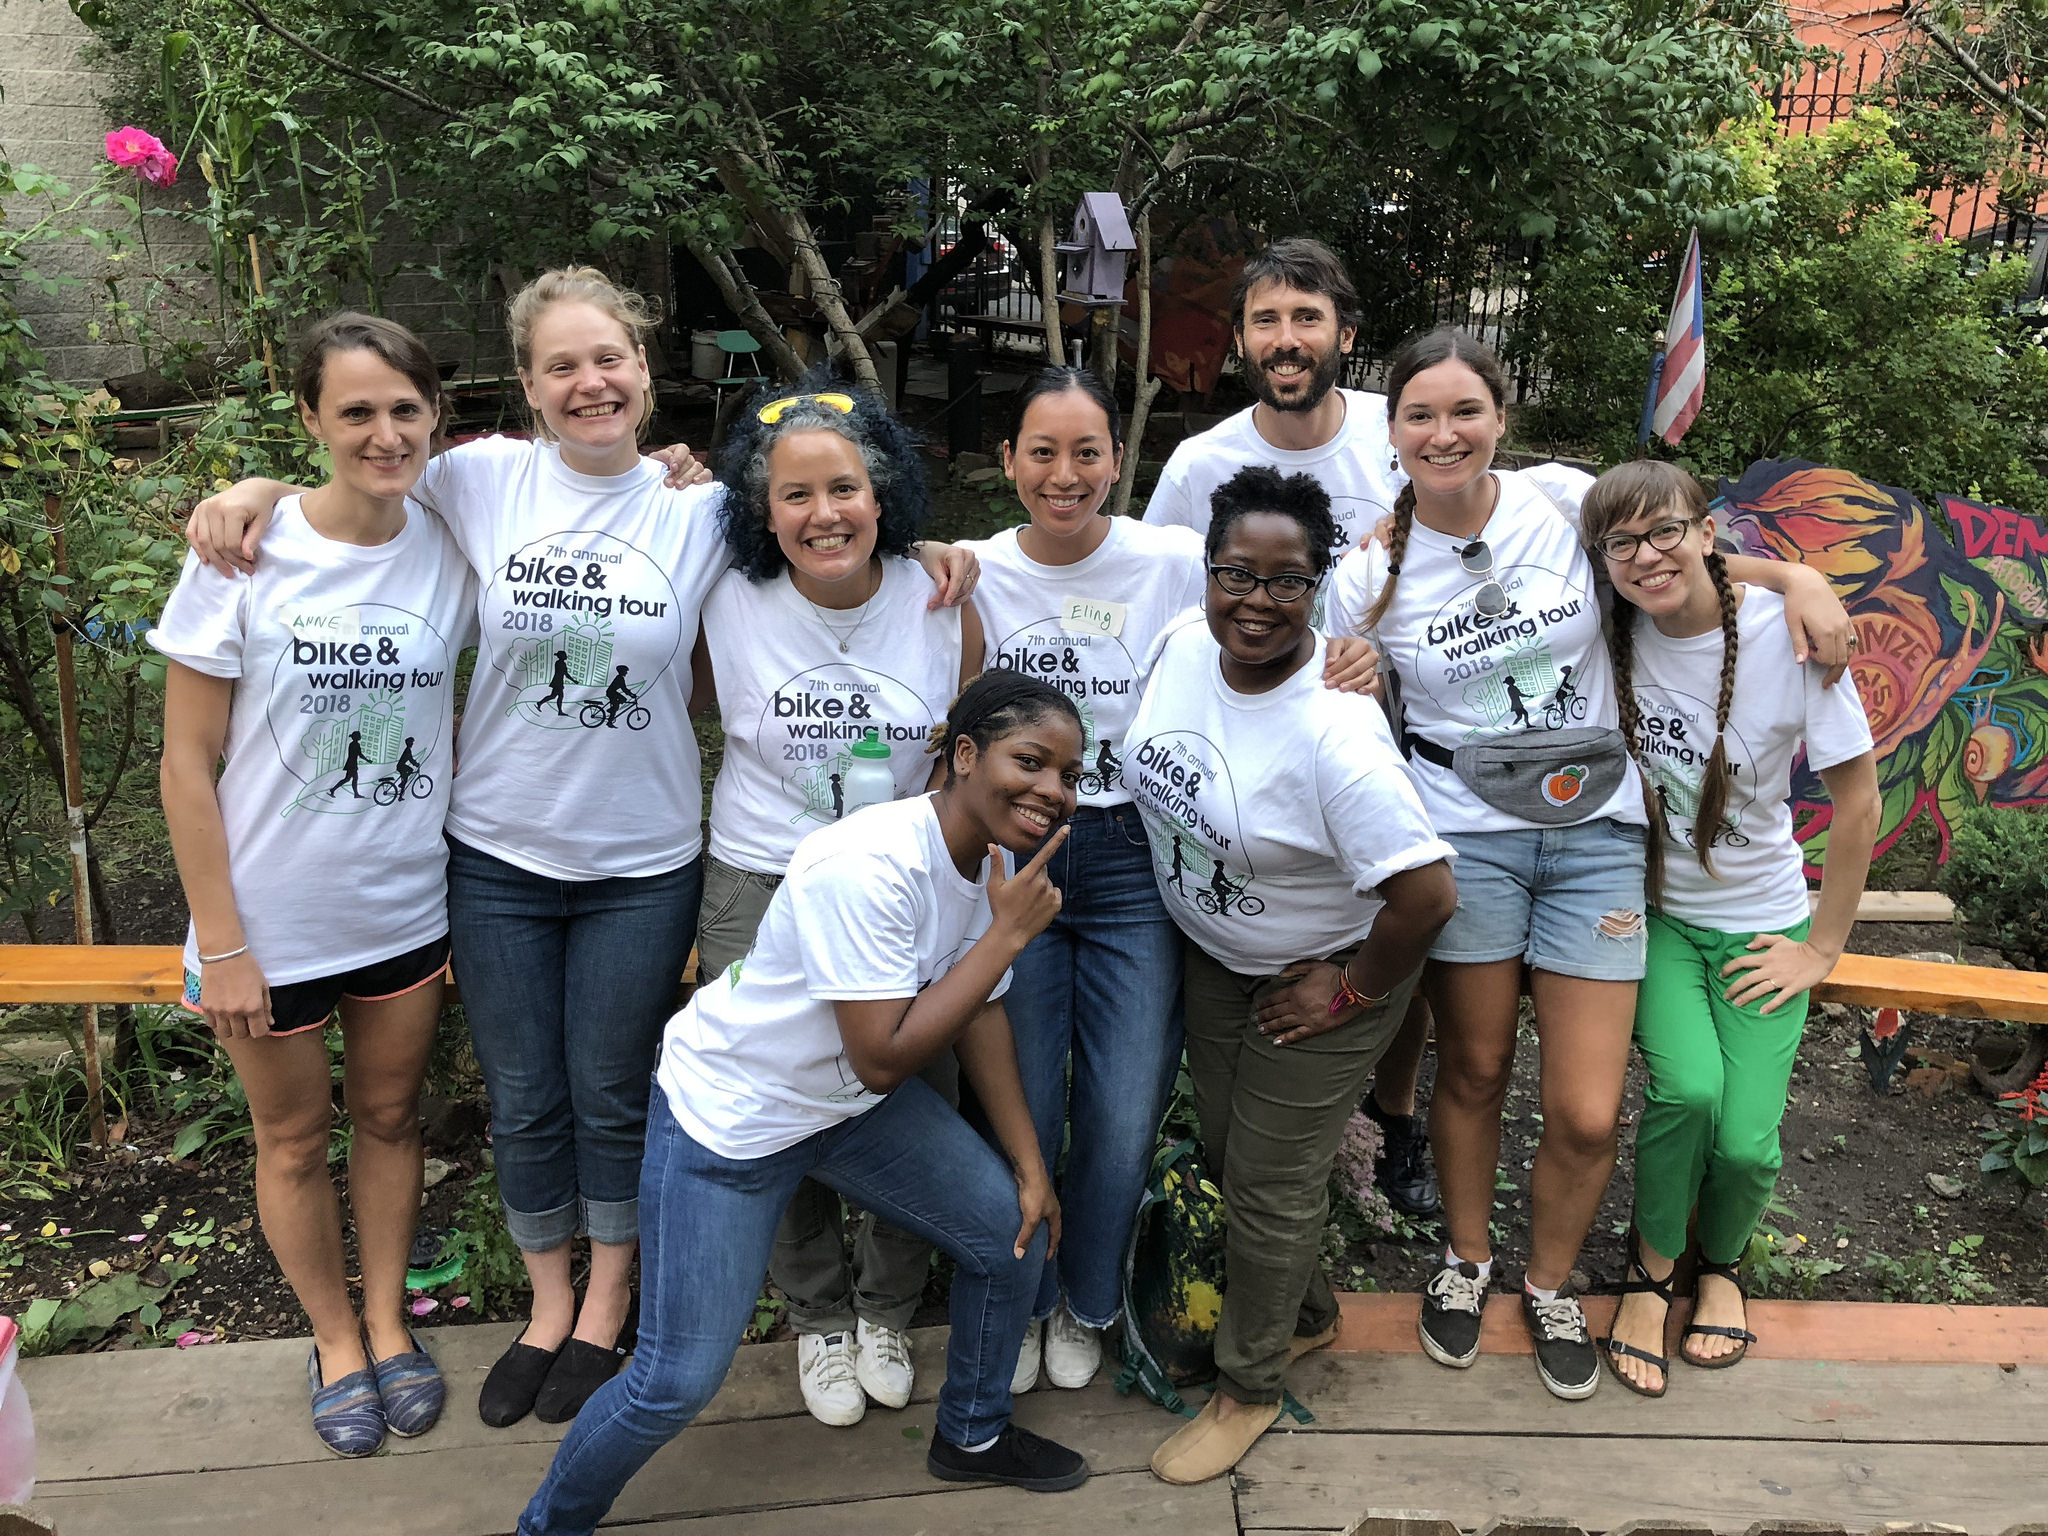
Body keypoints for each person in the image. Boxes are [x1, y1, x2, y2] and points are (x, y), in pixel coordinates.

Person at [182, 267, 984, 1430]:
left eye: (608, 359)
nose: (589, 382)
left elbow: (829, 531)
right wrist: (248, 488)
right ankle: (546, 1303)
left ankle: (609, 1304)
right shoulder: (476, 478)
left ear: (646, 374)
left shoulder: (702, 511)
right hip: (495, 851)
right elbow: (356, 472)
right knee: (524, 1092)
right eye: (561, 365)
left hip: (644, 858)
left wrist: (937, 552)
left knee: (613, 1090)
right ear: (526, 388)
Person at [1324, 326, 1853, 1400]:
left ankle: (1553, 1281)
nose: (1443, 432)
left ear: (1499, 421)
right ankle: (1466, 1264)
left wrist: (1793, 572)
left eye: (1463, 411)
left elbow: (1669, 548)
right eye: (1418, 415)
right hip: (1466, 832)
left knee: (1582, 1107)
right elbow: (1345, 713)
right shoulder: (1366, 572)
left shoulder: (1558, 500)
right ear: (1390, 435)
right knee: (1470, 1070)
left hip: (1596, 835)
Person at [514, 674, 1094, 1533]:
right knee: (673, 1382)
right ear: (964, 756)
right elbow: (886, 1054)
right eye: (1031, 761)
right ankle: (547, 1524)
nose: (1053, 790)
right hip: (734, 1122)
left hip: (846, 1107)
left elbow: (982, 1007)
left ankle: (971, 1436)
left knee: (1010, 1236)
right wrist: (1008, 934)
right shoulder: (869, 863)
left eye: (1070, 774)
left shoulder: (991, 867)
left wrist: (1031, 1169)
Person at [966, 366, 1380, 1395]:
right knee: (1012, 1098)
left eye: (1087, 452)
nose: (1065, 475)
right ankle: (1011, 1297)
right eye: (1041, 452)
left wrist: (1350, 654)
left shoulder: (1163, 560)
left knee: (1119, 1107)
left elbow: (1288, 598)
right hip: (1010, 852)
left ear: (1120, 460)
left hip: (1133, 855)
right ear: (1006, 462)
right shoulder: (964, 570)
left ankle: (1088, 1297)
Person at [155, 313, 479, 1456]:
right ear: (310, 420)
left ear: (435, 416)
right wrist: (223, 940)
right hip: (269, 922)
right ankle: (334, 1337)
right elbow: (185, 764)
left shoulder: (450, 536)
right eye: (355, 411)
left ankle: (390, 1325)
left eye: (403, 409)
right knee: (292, 1141)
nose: (383, 433)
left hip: (399, 904)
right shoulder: (242, 553)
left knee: (389, 1119)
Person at [1124, 466, 1458, 1483]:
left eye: (1285, 582)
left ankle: (1248, 1386)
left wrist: (1349, 989)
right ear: (1207, 569)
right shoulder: (1186, 643)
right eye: (1236, 573)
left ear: (1318, 585)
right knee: (1233, 1159)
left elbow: (1427, 896)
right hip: (1220, 960)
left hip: (1324, 978)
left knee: (1267, 1187)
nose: (1255, 601)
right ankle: (1306, 1313)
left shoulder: (1334, 733)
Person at [688, 379, 980, 1429]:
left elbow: (964, 760)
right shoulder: (724, 596)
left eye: (844, 487)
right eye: (796, 494)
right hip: (758, 877)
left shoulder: (940, 596)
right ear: (759, 513)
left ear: (882, 491)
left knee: (912, 1093)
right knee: (772, 1097)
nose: (824, 513)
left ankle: (885, 1307)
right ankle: (814, 1318)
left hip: (898, 889)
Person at [1143, 237, 1439, 1215]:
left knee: (1390, 928)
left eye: (1305, 317)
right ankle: (1290, 1127)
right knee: (1273, 928)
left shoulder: (1400, 446)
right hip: (1246, 756)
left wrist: (1375, 657)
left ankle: (1388, 1119)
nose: (1284, 337)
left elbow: (1477, 561)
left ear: (1344, 333)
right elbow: (1164, 606)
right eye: (1264, 319)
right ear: (1239, 338)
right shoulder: (1199, 464)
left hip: (1388, 739)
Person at [1578, 462, 1879, 1397]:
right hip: (1659, 919)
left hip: (1763, 925)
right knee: (1689, 1095)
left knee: (1747, 1142)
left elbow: (1858, 804)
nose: (1646, 556)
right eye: (1621, 543)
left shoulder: (1789, 644)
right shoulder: (1611, 624)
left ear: (1710, 532)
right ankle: (1653, 1269)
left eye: (1665, 531)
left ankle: (1723, 1268)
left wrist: (1820, 947)